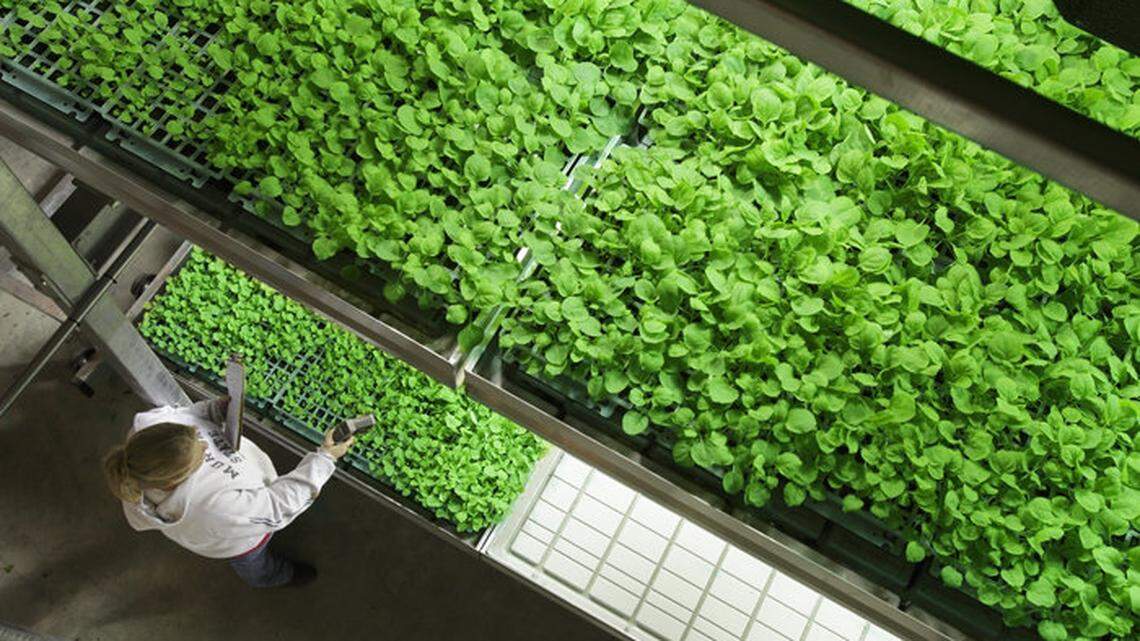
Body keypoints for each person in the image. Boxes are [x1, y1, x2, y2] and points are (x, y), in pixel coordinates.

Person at [103, 397, 354, 588]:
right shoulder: (213, 508)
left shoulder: (148, 427)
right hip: (240, 541)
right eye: (200, 453)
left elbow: (188, 414)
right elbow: (278, 508)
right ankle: (277, 576)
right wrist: (325, 457)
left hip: (235, 510)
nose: (203, 443)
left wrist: (215, 409)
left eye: (196, 435)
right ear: (174, 481)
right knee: (255, 566)